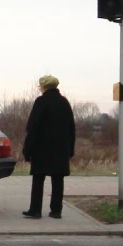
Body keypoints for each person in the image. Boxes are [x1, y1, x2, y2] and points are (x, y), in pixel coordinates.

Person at [22, 75, 76, 219]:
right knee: (58, 179)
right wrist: (70, 149)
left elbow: (33, 127)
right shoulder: (64, 102)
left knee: (38, 178)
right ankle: (56, 211)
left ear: (44, 87)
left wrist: (27, 150)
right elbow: (71, 128)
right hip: (61, 148)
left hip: (41, 149)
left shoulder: (41, 102)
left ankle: (35, 209)